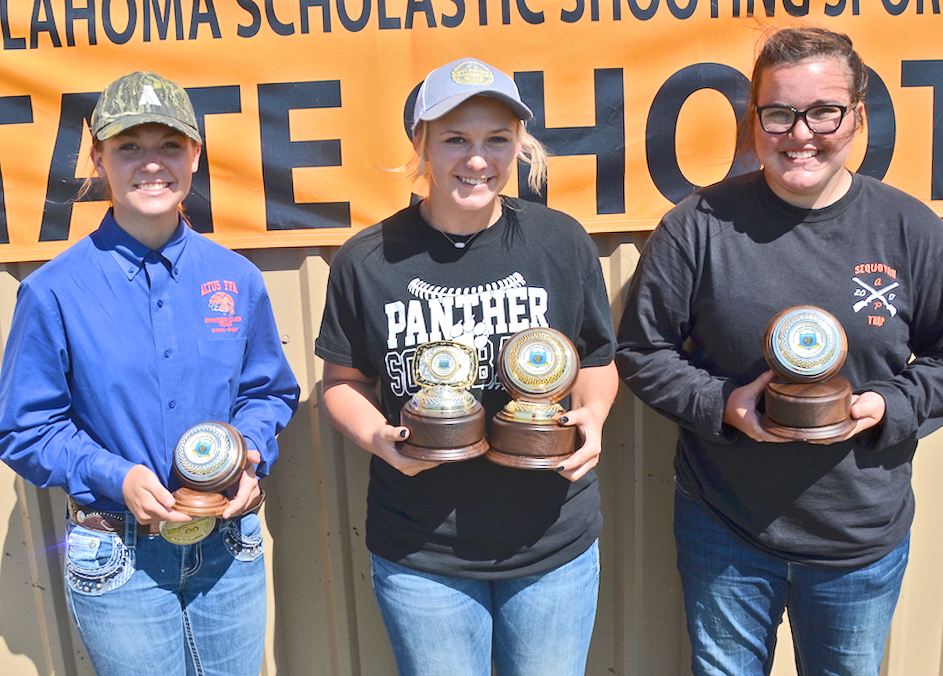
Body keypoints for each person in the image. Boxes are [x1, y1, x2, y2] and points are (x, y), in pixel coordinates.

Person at [616, 27, 943, 676]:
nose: (800, 133)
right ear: (752, 120)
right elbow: (641, 350)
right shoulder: (696, 227)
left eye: (822, 111)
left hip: (859, 536)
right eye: (778, 113)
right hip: (725, 529)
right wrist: (721, 406)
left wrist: (885, 404)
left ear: (856, 115)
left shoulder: (910, 229)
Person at [315, 57, 618, 676]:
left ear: (518, 147)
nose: (476, 160)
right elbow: (342, 384)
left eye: (496, 140)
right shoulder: (367, 261)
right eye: (455, 139)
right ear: (420, 143)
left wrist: (594, 414)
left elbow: (598, 359)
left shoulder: (560, 242)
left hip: (552, 543)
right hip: (423, 552)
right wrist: (378, 437)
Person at [0, 72, 299, 676]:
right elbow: (25, 428)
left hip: (228, 546)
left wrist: (249, 454)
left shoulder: (236, 279)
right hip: (116, 553)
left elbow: (268, 392)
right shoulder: (54, 291)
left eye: (168, 145)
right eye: (129, 147)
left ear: (195, 155)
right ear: (97, 158)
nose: (151, 164)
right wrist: (116, 475)